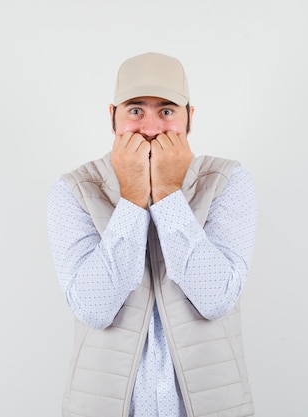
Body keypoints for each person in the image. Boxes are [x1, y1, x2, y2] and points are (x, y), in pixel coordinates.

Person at [46, 52, 258, 417]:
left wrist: (168, 194)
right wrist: (131, 198)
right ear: (112, 116)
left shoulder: (226, 181)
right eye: (135, 110)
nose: (150, 127)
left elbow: (216, 298)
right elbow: (93, 309)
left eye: (166, 111)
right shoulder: (75, 190)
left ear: (190, 118)